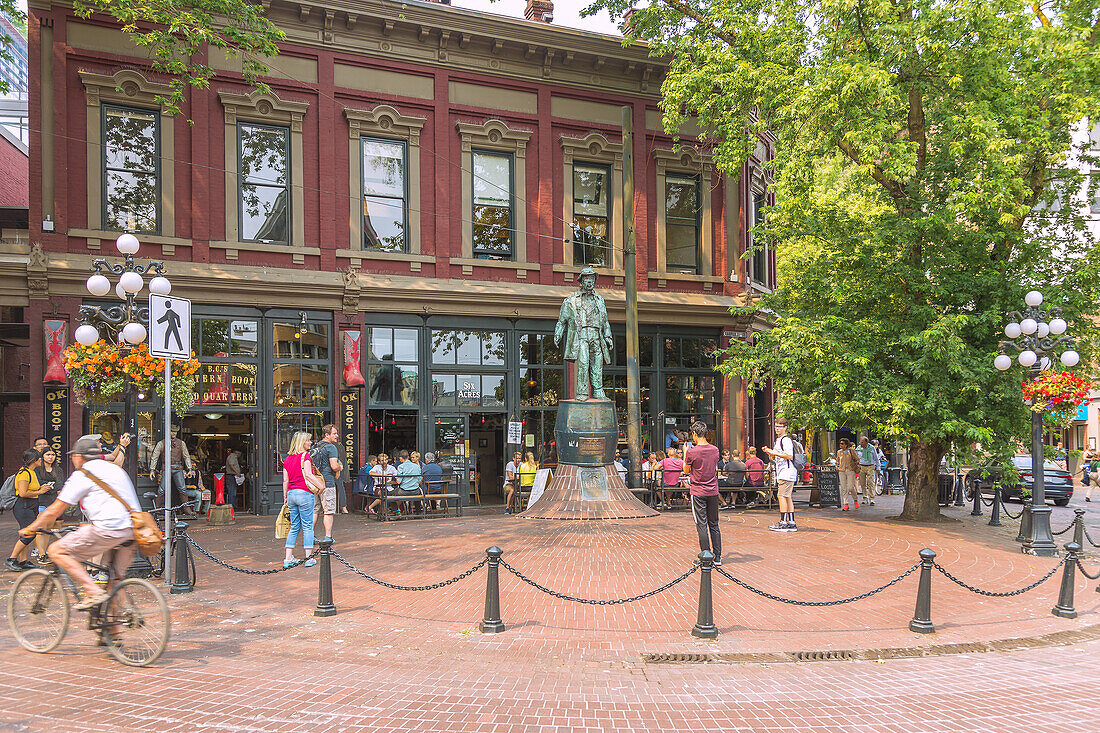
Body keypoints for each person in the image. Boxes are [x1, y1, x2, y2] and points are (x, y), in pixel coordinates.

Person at [16, 437, 140, 609]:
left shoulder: (82, 474)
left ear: (79, 457)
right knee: (115, 580)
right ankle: (114, 630)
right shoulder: (117, 470)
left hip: (107, 529)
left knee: (56, 550)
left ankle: (92, 591)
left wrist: (31, 528)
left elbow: (55, 510)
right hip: (132, 530)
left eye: (74, 456)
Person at [684, 421, 722, 565]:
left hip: (698, 491)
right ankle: (717, 557)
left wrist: (685, 453)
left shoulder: (692, 452)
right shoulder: (715, 450)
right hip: (712, 490)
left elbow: (686, 470)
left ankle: (706, 556)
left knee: (701, 524)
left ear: (694, 433)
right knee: (714, 524)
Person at [281, 432, 320, 568]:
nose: (310, 443)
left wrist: (285, 496)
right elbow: (308, 475)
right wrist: (321, 486)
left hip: (291, 494)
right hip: (304, 493)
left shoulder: (287, 459)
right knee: (308, 526)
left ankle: (287, 558)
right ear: (301, 442)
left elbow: (285, 480)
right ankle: (308, 558)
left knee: (294, 527)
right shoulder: (305, 456)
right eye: (308, 441)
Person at [6, 449, 46, 571]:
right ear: (34, 460)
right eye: (39, 459)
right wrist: (40, 491)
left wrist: (41, 487)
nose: (41, 461)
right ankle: (12, 559)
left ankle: (23, 561)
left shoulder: (32, 472)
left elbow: (32, 488)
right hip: (23, 506)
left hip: (31, 505)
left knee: (26, 533)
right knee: (29, 533)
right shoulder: (23, 473)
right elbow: (22, 493)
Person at [763, 418, 799, 532]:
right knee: (787, 496)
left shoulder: (786, 440)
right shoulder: (779, 440)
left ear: (785, 428)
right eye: (776, 426)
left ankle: (783, 522)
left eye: (780, 426)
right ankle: (791, 522)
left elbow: (789, 456)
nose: (777, 428)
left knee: (781, 496)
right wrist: (770, 452)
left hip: (787, 472)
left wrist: (773, 452)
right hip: (783, 472)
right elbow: (775, 457)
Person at [151, 425, 196, 514]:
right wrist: (152, 469)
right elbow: (155, 456)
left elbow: (186, 456)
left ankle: (186, 509)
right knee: (161, 490)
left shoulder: (181, 443)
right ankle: (157, 509)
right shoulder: (162, 443)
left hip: (178, 468)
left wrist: (189, 468)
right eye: (172, 431)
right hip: (166, 469)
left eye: (175, 432)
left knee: (182, 489)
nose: (173, 433)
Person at [32, 446, 65, 562]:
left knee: (57, 528)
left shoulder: (58, 470)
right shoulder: (38, 470)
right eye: (48, 455)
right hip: (42, 502)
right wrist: (53, 487)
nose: (51, 457)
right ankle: (42, 554)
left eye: (53, 455)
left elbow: (60, 484)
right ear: (43, 456)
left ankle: (56, 554)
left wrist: (49, 487)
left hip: (56, 503)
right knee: (43, 529)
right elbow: (40, 484)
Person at [311, 424, 343, 538]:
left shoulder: (315, 446)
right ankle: (328, 537)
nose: (337, 436)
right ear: (326, 435)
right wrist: (340, 467)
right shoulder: (331, 447)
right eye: (334, 433)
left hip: (315, 483)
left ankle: (310, 536)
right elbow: (334, 466)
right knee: (328, 511)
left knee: (315, 510)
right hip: (327, 482)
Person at [836, 438, 860, 510]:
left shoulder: (851, 451)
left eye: (842, 443)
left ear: (846, 445)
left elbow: (858, 459)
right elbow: (837, 460)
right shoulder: (839, 452)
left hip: (850, 470)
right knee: (843, 488)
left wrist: (855, 467)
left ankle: (855, 500)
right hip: (842, 470)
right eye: (840, 443)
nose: (840, 445)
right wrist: (836, 466)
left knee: (850, 487)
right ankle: (846, 504)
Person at [856, 437, 878, 506]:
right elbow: (856, 458)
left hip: (870, 466)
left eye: (862, 442)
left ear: (866, 442)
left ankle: (872, 499)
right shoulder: (858, 449)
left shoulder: (872, 448)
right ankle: (865, 498)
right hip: (861, 466)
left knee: (871, 483)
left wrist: (878, 467)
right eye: (860, 442)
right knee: (862, 483)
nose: (860, 443)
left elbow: (876, 458)